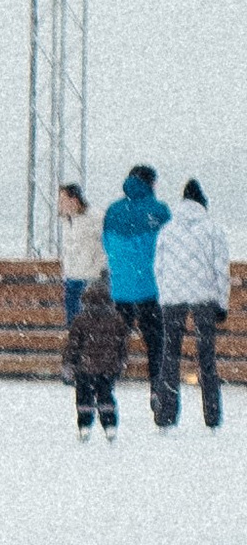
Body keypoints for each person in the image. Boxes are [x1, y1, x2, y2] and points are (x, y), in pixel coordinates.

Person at [102, 166, 174, 428]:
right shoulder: (161, 211)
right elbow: (168, 251)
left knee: (116, 345)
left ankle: (105, 390)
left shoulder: (112, 211)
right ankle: (157, 390)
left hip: (120, 291)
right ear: (151, 182)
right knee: (156, 345)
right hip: (152, 291)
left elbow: (107, 246)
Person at [155, 178, 229, 429]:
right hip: (204, 298)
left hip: (173, 299)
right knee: (206, 357)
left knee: (169, 356)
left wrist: (165, 295)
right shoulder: (212, 229)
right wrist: (222, 303)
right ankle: (212, 416)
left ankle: (166, 414)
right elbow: (221, 270)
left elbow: (159, 268)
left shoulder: (168, 229)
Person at [66, 271, 126, 438]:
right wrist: (120, 363)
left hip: (85, 367)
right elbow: (121, 345)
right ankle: (110, 424)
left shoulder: (80, 320)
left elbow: (73, 345)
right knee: (106, 395)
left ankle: (85, 424)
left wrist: (69, 363)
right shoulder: (117, 320)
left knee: (84, 396)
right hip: (108, 367)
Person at [57, 182, 102, 324]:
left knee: (87, 318)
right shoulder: (67, 220)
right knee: (73, 319)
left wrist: (97, 267)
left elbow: (103, 244)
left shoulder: (94, 217)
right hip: (72, 275)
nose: (60, 204)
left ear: (74, 200)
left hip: (89, 276)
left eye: (63, 200)